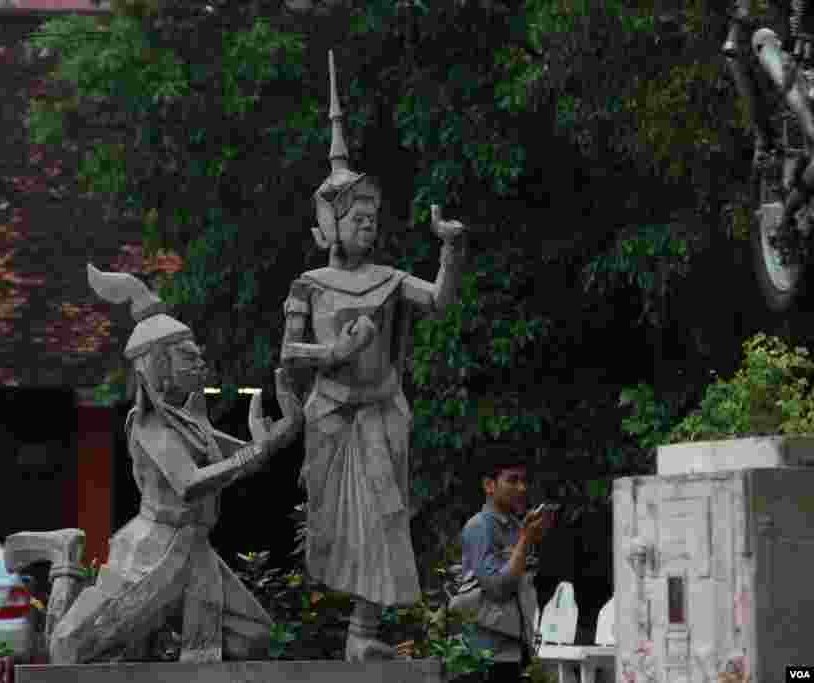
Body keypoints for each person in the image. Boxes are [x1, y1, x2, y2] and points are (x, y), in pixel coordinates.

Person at [279, 51, 467, 661]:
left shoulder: (388, 278)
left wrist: (451, 251)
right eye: (357, 217)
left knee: (387, 521)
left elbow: (437, 301)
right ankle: (356, 631)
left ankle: (365, 633)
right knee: (340, 532)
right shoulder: (308, 284)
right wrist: (336, 349)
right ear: (329, 225)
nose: (368, 226)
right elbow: (290, 355)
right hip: (334, 411)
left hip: (382, 409)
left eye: (373, 217)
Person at [46, 266, 304, 664]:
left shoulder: (191, 421)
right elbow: (189, 484)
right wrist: (253, 451)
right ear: (158, 367)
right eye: (187, 357)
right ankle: (65, 562)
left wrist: (277, 437)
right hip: (151, 552)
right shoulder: (148, 425)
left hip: (193, 551)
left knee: (254, 638)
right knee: (70, 651)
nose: (199, 364)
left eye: (197, 355)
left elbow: (240, 463)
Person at [457, 457, 556, 681]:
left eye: (524, 480)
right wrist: (525, 541)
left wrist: (529, 538)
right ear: (489, 485)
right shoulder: (479, 526)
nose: (522, 488)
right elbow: (497, 589)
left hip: (515, 652)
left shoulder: (516, 526)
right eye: (512, 480)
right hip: (484, 656)